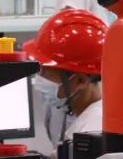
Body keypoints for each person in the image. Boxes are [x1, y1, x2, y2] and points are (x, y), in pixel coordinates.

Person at [23, 8, 107, 143]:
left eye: (45, 71)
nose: (40, 78)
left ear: (80, 80)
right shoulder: (96, 115)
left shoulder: (90, 133)